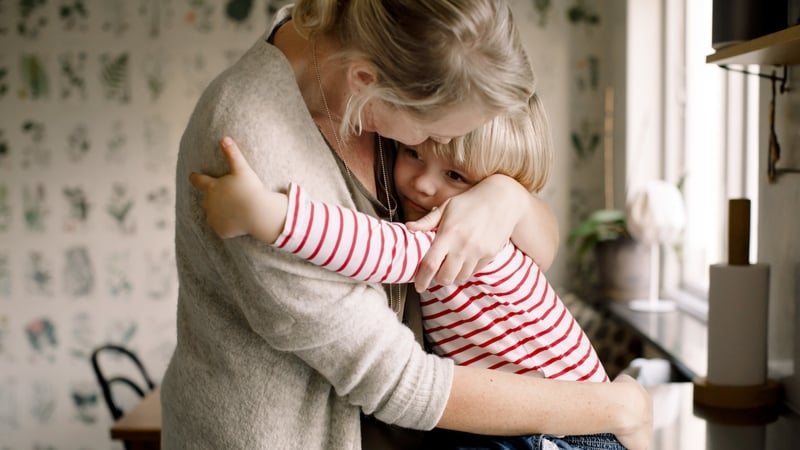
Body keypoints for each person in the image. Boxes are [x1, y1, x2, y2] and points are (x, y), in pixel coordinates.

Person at [161, 1, 652, 449]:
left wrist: (506, 197)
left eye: (458, 168)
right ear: (366, 82)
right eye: (433, 135)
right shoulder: (253, 142)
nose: (434, 156)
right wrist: (616, 408)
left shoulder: (380, 82)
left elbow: (540, 248)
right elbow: (397, 379)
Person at [191, 94, 624, 449]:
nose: (422, 183)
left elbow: (368, 246)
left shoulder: (466, 240)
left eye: (455, 174)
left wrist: (263, 213)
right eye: (413, 153)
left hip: (569, 433)